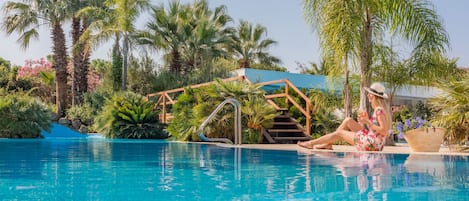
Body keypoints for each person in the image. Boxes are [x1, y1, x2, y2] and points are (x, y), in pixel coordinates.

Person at [297, 82, 392, 151]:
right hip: (373, 141)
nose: (368, 95)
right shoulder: (378, 110)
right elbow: (376, 130)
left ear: (373, 96)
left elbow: (384, 131)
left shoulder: (379, 110)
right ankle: (327, 144)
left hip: (372, 144)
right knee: (348, 120)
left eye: (369, 94)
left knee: (340, 133)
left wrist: (368, 122)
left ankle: (311, 143)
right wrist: (365, 121)